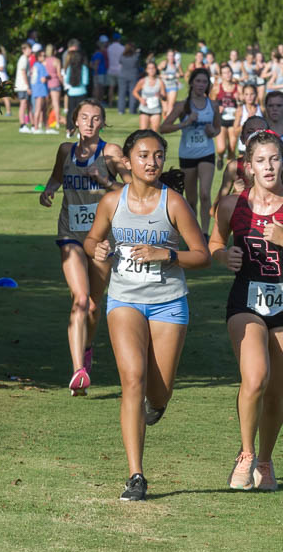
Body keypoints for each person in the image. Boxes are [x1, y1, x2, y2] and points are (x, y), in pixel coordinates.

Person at [83, 129, 210, 501]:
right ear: (128, 160)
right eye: (143, 155)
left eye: (157, 155)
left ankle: (157, 404)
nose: (151, 162)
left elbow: (201, 255)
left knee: (158, 390)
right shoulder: (112, 202)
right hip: (124, 299)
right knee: (132, 380)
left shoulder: (173, 204)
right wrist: (98, 248)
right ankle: (136, 476)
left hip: (169, 301)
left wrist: (166, 255)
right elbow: (91, 240)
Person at [209, 129, 283, 491]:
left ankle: (265, 461)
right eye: (261, 160)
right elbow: (214, 241)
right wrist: (222, 255)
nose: (269, 166)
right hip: (245, 300)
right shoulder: (232, 205)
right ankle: (245, 455)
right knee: (255, 378)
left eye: (275, 158)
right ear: (248, 167)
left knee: (275, 392)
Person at [39, 100, 129, 394]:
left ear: (103, 123)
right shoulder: (66, 151)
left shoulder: (111, 152)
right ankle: (78, 371)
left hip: (102, 238)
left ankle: (87, 351)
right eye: (84, 117)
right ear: (75, 121)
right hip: (71, 235)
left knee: (92, 305)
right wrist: (50, 189)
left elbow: (133, 190)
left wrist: (104, 180)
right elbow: (57, 176)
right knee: (79, 300)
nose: (89, 123)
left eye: (96, 118)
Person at [159, 67, 221, 235]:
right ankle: (194, 234)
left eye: (204, 82)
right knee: (191, 200)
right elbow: (163, 127)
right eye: (198, 81)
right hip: (187, 155)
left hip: (207, 153)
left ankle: (205, 233)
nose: (201, 85)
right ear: (192, 82)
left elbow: (217, 128)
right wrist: (184, 124)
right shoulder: (182, 106)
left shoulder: (213, 105)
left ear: (208, 85)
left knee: (205, 194)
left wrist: (212, 132)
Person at [213, 63, 241, 168]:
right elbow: (210, 103)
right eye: (224, 73)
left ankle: (230, 172)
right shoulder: (217, 88)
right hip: (221, 120)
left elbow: (242, 104)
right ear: (221, 75)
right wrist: (217, 108)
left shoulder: (238, 88)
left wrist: (239, 100)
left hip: (234, 120)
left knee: (232, 148)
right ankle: (220, 157)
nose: (227, 74)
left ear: (232, 73)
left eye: (229, 72)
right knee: (221, 148)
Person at [132, 60, 166, 132]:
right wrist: (140, 99)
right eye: (149, 68)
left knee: (154, 133)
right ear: (146, 70)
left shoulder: (160, 82)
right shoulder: (143, 81)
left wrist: (160, 95)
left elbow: (165, 97)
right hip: (144, 109)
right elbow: (134, 92)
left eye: (153, 68)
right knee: (143, 132)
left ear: (156, 69)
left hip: (156, 109)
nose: (151, 70)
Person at [63, 42, 90, 123]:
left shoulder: (69, 68)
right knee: (81, 112)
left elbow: (66, 80)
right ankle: (79, 130)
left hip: (71, 92)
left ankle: (69, 129)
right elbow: (85, 82)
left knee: (71, 111)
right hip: (82, 92)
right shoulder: (84, 68)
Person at [29, 46, 53, 135]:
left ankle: (46, 127)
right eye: (42, 56)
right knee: (39, 109)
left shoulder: (35, 65)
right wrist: (49, 77)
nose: (44, 57)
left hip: (37, 89)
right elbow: (43, 79)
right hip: (41, 89)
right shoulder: (40, 66)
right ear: (38, 57)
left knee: (42, 109)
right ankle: (36, 127)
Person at [117, 41, 141, 115]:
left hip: (122, 75)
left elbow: (120, 62)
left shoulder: (122, 55)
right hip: (133, 76)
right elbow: (138, 64)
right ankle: (132, 110)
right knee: (133, 93)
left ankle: (121, 110)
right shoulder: (136, 56)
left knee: (121, 94)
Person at [44, 44, 64, 129]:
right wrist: (63, 83)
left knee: (46, 104)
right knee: (56, 103)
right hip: (55, 83)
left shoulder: (44, 61)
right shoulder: (57, 61)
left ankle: (45, 121)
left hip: (46, 84)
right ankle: (57, 122)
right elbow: (59, 74)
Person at [158, 48, 182, 119]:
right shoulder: (164, 63)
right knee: (165, 109)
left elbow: (182, 74)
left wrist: (179, 75)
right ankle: (164, 120)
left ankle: (167, 123)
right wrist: (162, 76)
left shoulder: (176, 64)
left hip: (173, 87)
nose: (171, 57)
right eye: (169, 56)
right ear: (167, 56)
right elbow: (154, 73)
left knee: (170, 106)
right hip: (163, 87)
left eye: (172, 56)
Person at [14, 42, 32, 133]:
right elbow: (23, 72)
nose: (30, 51)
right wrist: (27, 86)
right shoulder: (24, 59)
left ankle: (26, 124)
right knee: (23, 104)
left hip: (22, 86)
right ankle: (22, 125)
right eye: (29, 49)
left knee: (25, 104)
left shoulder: (25, 59)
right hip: (22, 86)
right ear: (24, 50)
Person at [106, 33, 125, 111]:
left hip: (111, 69)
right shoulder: (122, 48)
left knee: (111, 87)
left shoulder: (109, 48)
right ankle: (119, 104)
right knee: (120, 88)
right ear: (119, 39)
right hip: (120, 70)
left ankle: (110, 103)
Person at [91, 36, 110, 102]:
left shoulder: (94, 54)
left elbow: (91, 64)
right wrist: (96, 72)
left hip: (97, 73)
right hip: (99, 73)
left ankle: (97, 101)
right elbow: (96, 64)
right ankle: (98, 101)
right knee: (99, 88)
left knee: (97, 87)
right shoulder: (99, 54)